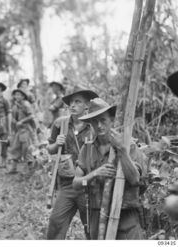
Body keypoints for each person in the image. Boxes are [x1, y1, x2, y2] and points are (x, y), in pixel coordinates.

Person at [72, 98, 146, 240]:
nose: (99, 125)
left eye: (103, 120)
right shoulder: (87, 149)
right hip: (96, 215)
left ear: (111, 120)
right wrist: (93, 174)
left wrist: (122, 152)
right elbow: (76, 184)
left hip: (125, 217)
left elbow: (135, 179)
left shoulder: (127, 144)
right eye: (94, 121)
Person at [47, 87, 98, 239]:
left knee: (91, 227)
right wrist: (57, 144)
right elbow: (50, 149)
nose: (73, 105)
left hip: (87, 185)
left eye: (78, 102)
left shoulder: (94, 126)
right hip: (67, 184)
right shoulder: (60, 124)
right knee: (56, 222)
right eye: (71, 102)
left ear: (87, 105)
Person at [8, 88, 36, 174]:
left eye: (19, 95)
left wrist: (22, 121)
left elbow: (31, 116)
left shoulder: (26, 104)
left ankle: (30, 170)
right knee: (15, 148)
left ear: (23, 96)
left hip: (26, 130)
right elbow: (13, 119)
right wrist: (12, 130)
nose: (17, 96)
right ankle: (13, 168)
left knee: (27, 149)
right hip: (18, 131)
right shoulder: (15, 106)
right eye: (16, 95)